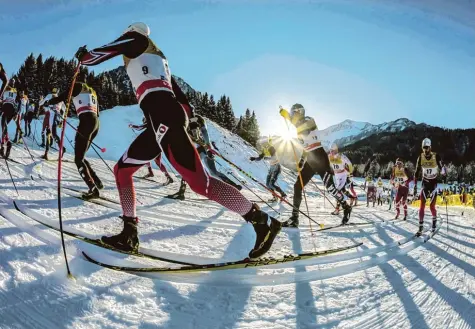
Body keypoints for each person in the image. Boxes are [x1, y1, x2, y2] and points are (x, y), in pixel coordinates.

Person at [74, 22, 280, 258]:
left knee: (200, 183)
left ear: (132, 31)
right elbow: (180, 96)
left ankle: (262, 221)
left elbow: (105, 51)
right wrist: (186, 120)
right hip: (160, 119)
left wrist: (84, 57)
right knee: (122, 170)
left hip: (163, 116)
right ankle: (129, 232)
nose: (123, 36)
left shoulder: (136, 40)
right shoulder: (156, 57)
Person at [280, 104, 352, 227]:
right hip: (310, 160)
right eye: (292, 114)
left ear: (299, 112)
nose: (293, 116)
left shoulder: (309, 120)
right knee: (297, 186)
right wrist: (302, 161)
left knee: (331, 189)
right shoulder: (298, 129)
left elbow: (304, 128)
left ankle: (346, 207)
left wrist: (287, 116)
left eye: (294, 113)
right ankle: (294, 218)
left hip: (320, 159)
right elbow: (305, 146)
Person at [44, 81, 104, 199]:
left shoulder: (79, 85)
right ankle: (97, 181)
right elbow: (97, 111)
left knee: (78, 159)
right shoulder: (92, 91)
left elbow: (63, 96)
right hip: (95, 123)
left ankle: (93, 189)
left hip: (86, 121)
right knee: (81, 156)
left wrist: (49, 102)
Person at [167, 113, 242, 200]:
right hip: (201, 148)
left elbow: (204, 133)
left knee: (188, 167)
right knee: (213, 172)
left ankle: (181, 192)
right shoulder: (185, 119)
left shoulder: (194, 118)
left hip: (201, 149)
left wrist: (208, 149)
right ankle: (234, 187)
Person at [413, 138, 445, 236]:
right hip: (425, 184)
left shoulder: (436, 156)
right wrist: (414, 184)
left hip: (433, 185)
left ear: (430, 147)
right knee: (422, 205)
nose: (425, 150)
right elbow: (417, 171)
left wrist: (443, 171)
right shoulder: (420, 157)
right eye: (424, 148)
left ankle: (434, 221)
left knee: (431, 206)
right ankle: (420, 227)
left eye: (427, 147)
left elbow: (442, 166)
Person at [129, 117, 173, 184]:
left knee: (147, 159)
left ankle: (165, 176)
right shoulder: (157, 125)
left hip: (152, 147)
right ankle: (158, 174)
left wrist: (132, 126)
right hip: (158, 146)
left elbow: (139, 128)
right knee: (156, 162)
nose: (144, 122)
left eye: (144, 121)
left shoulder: (150, 123)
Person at [250, 138, 286, 202]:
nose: (263, 145)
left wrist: (267, 158)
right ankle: (275, 197)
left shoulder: (271, 148)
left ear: (267, 143)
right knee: (267, 184)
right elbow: (260, 158)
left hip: (276, 167)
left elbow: (274, 157)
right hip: (271, 168)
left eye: (264, 143)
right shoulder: (265, 150)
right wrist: (254, 159)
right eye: (262, 144)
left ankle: (283, 194)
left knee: (271, 184)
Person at [327, 143, 355, 215]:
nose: (331, 152)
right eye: (330, 151)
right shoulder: (329, 156)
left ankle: (337, 210)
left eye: (332, 151)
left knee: (337, 192)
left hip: (343, 175)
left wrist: (351, 174)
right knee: (342, 190)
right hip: (336, 175)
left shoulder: (341, 156)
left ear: (336, 150)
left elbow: (349, 164)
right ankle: (351, 197)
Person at [39, 87, 66, 160]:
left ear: (57, 93)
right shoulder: (59, 99)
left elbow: (40, 103)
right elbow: (64, 108)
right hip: (55, 116)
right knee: (48, 133)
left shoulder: (50, 97)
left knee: (53, 134)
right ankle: (46, 153)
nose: (53, 95)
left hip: (54, 116)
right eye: (53, 93)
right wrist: (62, 118)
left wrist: (42, 101)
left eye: (54, 94)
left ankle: (62, 148)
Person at [0, 78, 20, 158]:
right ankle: (5, 144)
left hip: (6, 108)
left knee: (3, 127)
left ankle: (6, 144)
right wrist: (16, 113)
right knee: (4, 127)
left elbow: (2, 100)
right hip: (12, 110)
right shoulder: (15, 92)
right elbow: (17, 103)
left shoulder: (5, 90)